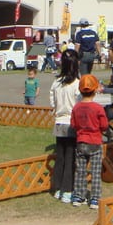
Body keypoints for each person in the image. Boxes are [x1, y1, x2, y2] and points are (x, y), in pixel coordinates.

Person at [70, 74, 109, 209]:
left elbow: (73, 125)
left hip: (81, 141)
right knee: (95, 172)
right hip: (95, 142)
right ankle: (95, 199)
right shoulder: (98, 108)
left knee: (80, 171)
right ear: (95, 90)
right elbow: (104, 125)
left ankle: (78, 196)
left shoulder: (76, 107)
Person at [50, 49, 81, 204]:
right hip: (71, 123)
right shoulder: (77, 84)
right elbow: (79, 105)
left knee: (60, 157)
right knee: (70, 158)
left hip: (59, 122)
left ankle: (57, 188)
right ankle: (67, 190)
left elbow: (52, 101)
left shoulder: (56, 82)